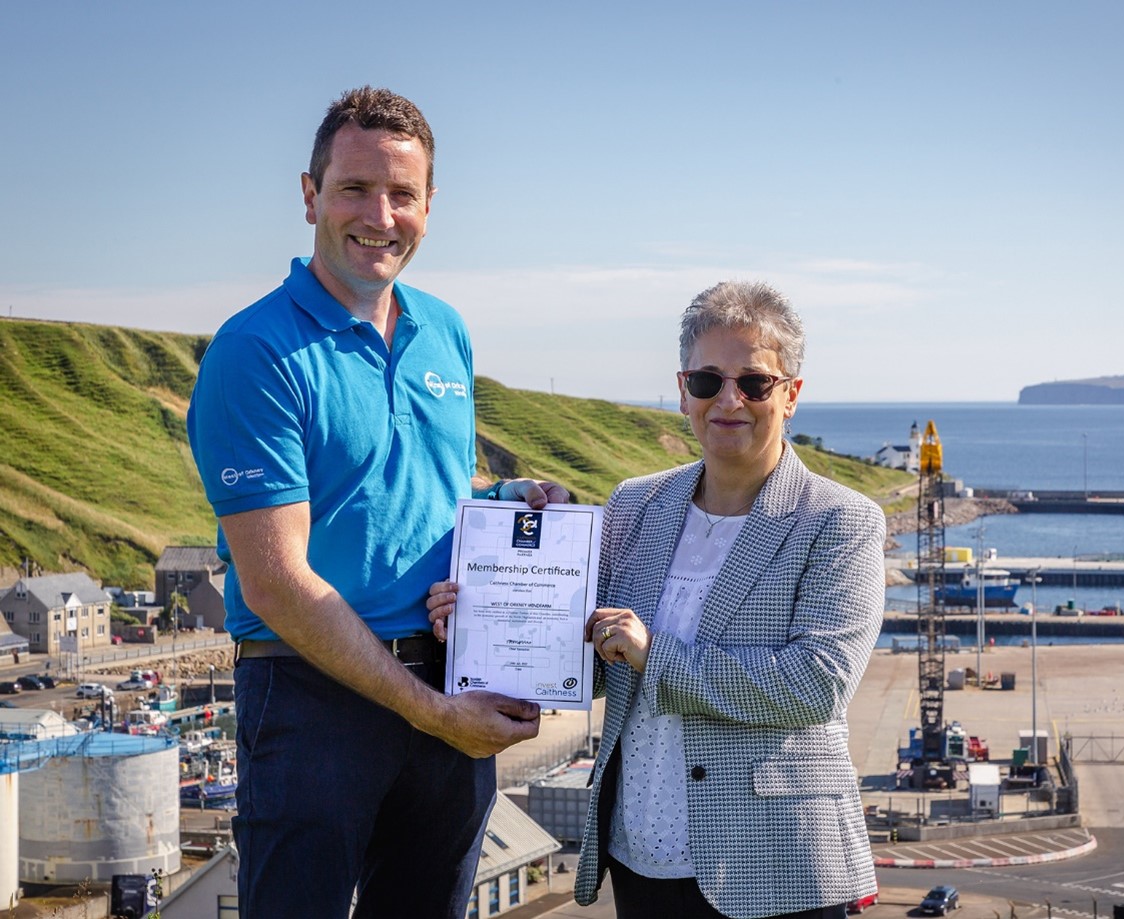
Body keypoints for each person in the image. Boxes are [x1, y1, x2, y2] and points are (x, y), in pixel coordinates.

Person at [187, 86, 565, 918]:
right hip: (311, 695)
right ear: (310, 193)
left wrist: (505, 503)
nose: (379, 215)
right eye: (355, 188)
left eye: (402, 194)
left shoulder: (446, 331)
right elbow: (279, 582)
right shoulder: (255, 351)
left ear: (430, 206)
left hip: (447, 674)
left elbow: (420, 488)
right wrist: (431, 712)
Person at [429, 280, 885, 918]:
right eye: (707, 381)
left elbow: (816, 685)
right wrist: (479, 621)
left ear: (792, 395)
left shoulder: (842, 521)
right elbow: (589, 659)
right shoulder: (635, 504)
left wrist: (654, 655)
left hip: (774, 863)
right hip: (640, 855)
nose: (729, 400)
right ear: (682, 391)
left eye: (754, 382)